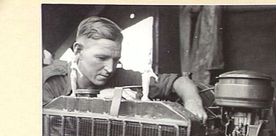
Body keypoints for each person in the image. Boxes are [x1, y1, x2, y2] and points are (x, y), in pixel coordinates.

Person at [43, 16, 207, 123]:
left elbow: (178, 81)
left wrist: (193, 102)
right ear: (78, 50)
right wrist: (102, 103)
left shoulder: (121, 78)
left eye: (116, 60)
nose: (110, 68)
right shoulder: (48, 83)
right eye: (101, 58)